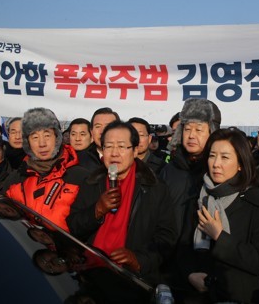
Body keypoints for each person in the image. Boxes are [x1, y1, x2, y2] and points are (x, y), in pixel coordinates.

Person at [67, 121, 178, 285]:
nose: (114, 153)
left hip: (132, 280)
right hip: (89, 275)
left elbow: (166, 237)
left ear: (134, 151)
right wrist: (96, 211)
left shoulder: (154, 188)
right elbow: (73, 227)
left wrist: (139, 259)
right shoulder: (91, 182)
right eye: (109, 146)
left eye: (121, 146)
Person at [185, 128, 259, 303]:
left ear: (241, 163)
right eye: (212, 156)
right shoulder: (199, 196)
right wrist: (190, 274)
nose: (216, 163)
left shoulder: (257, 201)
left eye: (225, 157)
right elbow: (182, 246)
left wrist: (220, 236)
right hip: (198, 295)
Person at [159, 98, 222, 296]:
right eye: (187, 129)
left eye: (199, 129)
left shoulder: (219, 171)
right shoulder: (168, 170)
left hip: (205, 270)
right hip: (166, 263)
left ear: (212, 132)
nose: (191, 135)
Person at [2, 107, 98, 232]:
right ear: (27, 142)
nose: (42, 143)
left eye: (47, 135)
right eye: (35, 137)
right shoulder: (15, 179)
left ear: (57, 137)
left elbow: (90, 226)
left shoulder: (81, 177)